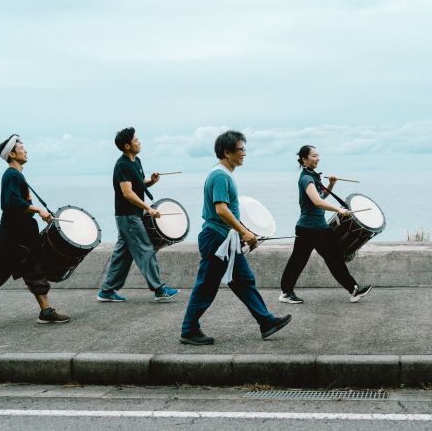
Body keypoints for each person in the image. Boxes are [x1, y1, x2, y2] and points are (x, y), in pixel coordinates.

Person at [180, 130, 291, 345]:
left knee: (244, 281)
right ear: (226, 152)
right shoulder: (220, 175)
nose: (244, 154)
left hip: (225, 239)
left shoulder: (223, 174)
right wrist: (245, 232)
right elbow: (221, 210)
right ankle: (189, 330)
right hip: (216, 239)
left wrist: (239, 234)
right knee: (206, 286)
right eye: (240, 150)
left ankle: (266, 322)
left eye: (244, 149)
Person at [0, 134, 71, 326]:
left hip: (24, 234)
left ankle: (46, 311)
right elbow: (10, 203)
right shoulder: (10, 174)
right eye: (21, 147)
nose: (25, 150)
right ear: (12, 153)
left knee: (34, 270)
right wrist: (37, 209)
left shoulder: (17, 174)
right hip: (13, 236)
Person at [278, 145, 372, 304]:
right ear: (304, 159)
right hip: (308, 229)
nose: (317, 158)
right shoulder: (306, 178)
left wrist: (331, 184)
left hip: (320, 228)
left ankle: (353, 289)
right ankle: (286, 293)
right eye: (314, 156)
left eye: (318, 155)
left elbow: (322, 196)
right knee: (298, 262)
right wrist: (339, 210)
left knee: (335, 259)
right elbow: (317, 202)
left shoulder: (312, 176)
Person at [96, 127, 180, 302]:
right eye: (136, 140)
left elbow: (137, 186)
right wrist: (148, 208)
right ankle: (159, 289)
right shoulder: (122, 165)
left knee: (123, 255)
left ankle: (106, 291)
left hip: (130, 215)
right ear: (127, 146)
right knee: (145, 249)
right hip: (128, 215)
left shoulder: (136, 161)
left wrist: (151, 181)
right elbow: (127, 193)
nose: (139, 142)